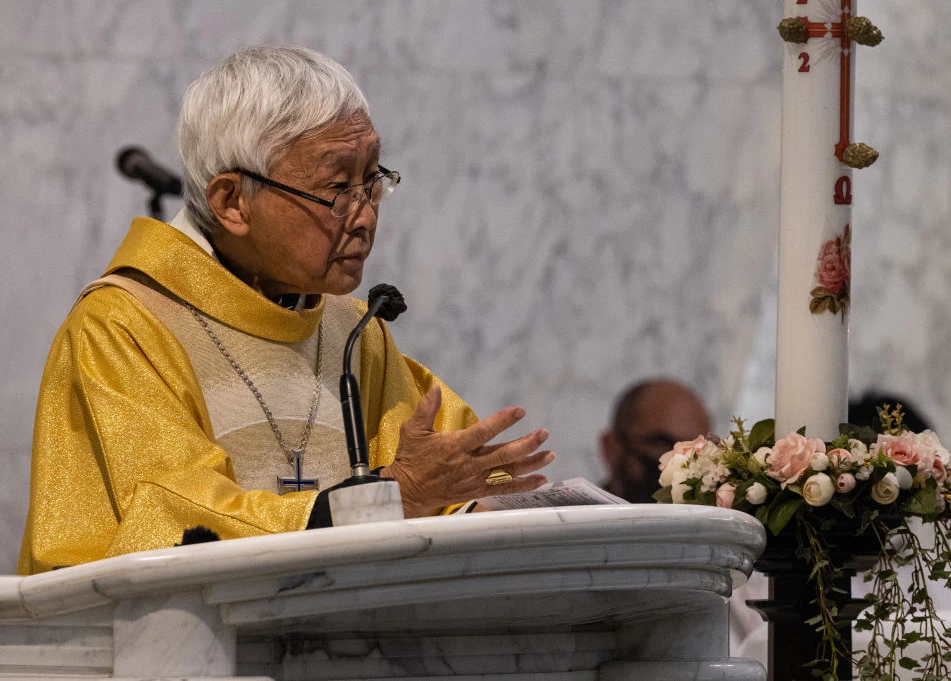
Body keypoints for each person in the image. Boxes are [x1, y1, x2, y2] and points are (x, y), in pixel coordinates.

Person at [18, 46, 554, 575]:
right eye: (338, 188)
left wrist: (486, 502)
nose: (365, 215)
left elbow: (448, 478)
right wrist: (387, 499)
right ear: (232, 202)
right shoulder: (124, 327)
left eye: (373, 179)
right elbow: (177, 526)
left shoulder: (354, 329)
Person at [599, 378, 710, 503]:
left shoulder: (716, 519)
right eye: (662, 445)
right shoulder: (576, 520)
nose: (680, 464)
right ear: (611, 447)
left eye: (696, 451)